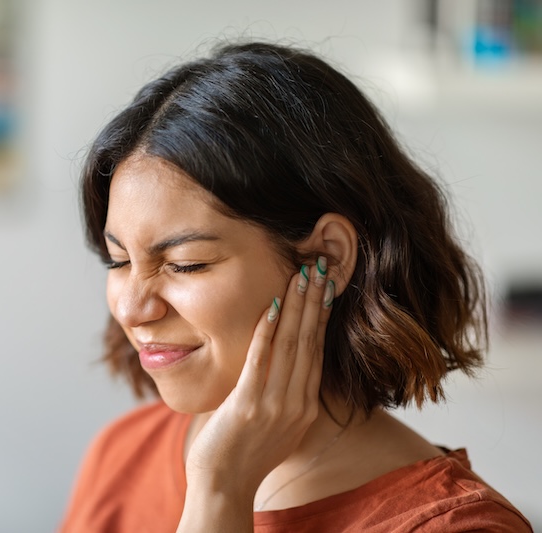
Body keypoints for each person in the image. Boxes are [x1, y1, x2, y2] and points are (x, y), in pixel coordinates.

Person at [59, 41, 532, 532]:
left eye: (185, 264)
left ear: (326, 257)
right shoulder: (121, 453)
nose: (133, 309)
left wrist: (221, 493)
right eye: (118, 260)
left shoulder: (453, 527)